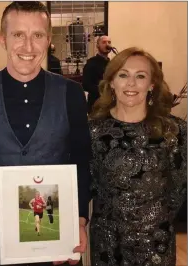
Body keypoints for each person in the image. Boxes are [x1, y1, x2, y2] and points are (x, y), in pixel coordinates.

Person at [0, 2, 92, 266]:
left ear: (48, 40)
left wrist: (80, 220)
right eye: (18, 35)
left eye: (37, 35)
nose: (28, 47)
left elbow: (81, 159)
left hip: (53, 229)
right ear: (2, 39)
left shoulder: (71, 94)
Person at [88, 47, 187, 265]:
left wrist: (152, 222)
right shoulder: (92, 131)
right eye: (123, 75)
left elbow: (179, 189)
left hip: (155, 244)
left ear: (152, 84)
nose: (131, 83)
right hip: (107, 243)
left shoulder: (175, 131)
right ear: (111, 82)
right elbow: (88, 184)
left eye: (140, 76)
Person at [82, 35, 111, 113]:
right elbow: (86, 84)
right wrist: (102, 91)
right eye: (104, 42)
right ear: (97, 45)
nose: (107, 44)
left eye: (109, 42)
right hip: (95, 103)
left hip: (110, 104)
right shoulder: (91, 63)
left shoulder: (112, 64)